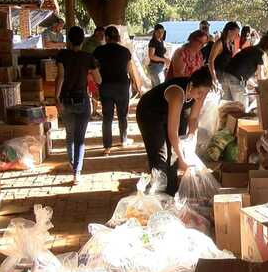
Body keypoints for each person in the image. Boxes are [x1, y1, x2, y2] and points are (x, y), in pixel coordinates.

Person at [136, 66, 214, 195]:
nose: (201, 97)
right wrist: (183, 161)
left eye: (205, 93)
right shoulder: (177, 93)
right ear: (191, 85)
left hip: (172, 112)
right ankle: (157, 194)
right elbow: (173, 133)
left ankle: (171, 192)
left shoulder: (201, 92)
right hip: (150, 113)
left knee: (175, 154)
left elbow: (193, 118)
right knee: (161, 156)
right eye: (199, 92)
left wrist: (191, 139)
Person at [55, 26, 100, 184]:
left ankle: (72, 162)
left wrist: (56, 98)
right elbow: (99, 80)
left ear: (68, 40)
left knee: (69, 134)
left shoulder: (62, 55)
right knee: (80, 138)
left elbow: (60, 77)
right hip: (82, 100)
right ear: (83, 40)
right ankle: (76, 173)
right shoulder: (88, 58)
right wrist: (88, 73)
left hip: (65, 100)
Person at [93, 26, 133, 156]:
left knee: (107, 117)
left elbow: (95, 68)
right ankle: (124, 140)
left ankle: (107, 147)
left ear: (106, 37)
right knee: (122, 115)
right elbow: (127, 70)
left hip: (106, 86)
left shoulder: (98, 51)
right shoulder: (125, 52)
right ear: (118, 37)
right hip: (122, 86)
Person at [224, 35, 268, 100]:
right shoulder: (260, 53)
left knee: (228, 107)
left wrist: (254, 85)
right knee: (242, 107)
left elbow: (242, 71)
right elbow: (261, 77)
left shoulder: (250, 49)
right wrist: (265, 88)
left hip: (226, 75)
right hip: (236, 80)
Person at [209, 21, 241, 93]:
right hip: (217, 76)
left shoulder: (231, 44)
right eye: (235, 33)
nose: (237, 36)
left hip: (226, 77)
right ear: (229, 31)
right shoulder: (219, 43)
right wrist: (214, 78)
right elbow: (210, 60)